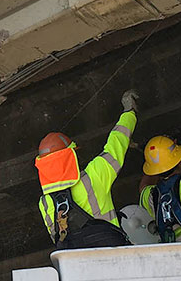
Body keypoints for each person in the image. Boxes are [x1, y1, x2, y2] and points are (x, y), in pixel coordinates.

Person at [36, 90, 138, 249]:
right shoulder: (93, 176)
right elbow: (116, 145)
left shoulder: (45, 203)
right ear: (71, 157)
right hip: (112, 256)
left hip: (78, 267)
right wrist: (129, 113)